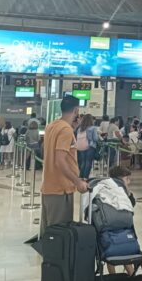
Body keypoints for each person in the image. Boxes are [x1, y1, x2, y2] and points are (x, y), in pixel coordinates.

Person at [40, 95, 88, 236]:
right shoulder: (65, 130)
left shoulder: (52, 126)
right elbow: (60, 160)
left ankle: (49, 255)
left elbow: (45, 149)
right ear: (76, 110)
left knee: (49, 231)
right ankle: (54, 258)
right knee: (59, 233)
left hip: (49, 185)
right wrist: (77, 181)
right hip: (61, 188)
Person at [75, 114, 97, 180]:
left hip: (81, 147)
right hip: (90, 146)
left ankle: (81, 176)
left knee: (83, 162)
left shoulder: (79, 128)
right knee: (88, 162)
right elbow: (95, 138)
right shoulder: (93, 128)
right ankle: (85, 177)